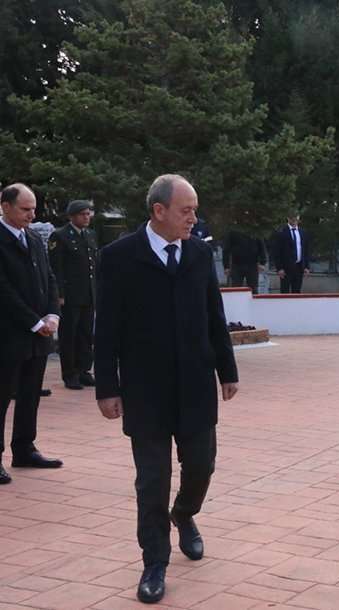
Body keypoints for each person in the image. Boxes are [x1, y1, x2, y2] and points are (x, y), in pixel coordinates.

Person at [94, 174, 239, 603]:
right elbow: (108, 329)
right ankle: (154, 562)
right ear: (159, 211)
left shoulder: (198, 252)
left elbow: (215, 315)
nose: (194, 217)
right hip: (146, 390)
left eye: (195, 209)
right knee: (152, 481)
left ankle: (185, 514)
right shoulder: (119, 257)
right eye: (186, 210)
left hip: (195, 385)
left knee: (202, 467)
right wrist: (107, 386)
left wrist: (227, 370)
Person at [0, 183, 63, 485]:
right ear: (5, 206)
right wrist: (33, 322)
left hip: (38, 332)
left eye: (33, 208)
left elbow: (48, 278)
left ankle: (24, 448)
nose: (31, 214)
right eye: (25, 209)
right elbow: (3, 291)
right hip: (10, 333)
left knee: (30, 394)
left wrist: (52, 313)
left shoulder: (34, 238)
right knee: (2, 397)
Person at [49, 200, 98, 390]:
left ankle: (84, 370)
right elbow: (56, 269)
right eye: (82, 214)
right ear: (71, 216)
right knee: (69, 335)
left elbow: (94, 265)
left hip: (88, 294)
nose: (86, 217)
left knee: (85, 334)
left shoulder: (91, 235)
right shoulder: (60, 236)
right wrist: (59, 294)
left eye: (88, 214)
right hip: (70, 296)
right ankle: (69, 374)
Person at [271, 213, 310, 293]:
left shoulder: (303, 232)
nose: (294, 220)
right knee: (285, 291)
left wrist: (306, 266)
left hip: (299, 267)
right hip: (286, 268)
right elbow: (276, 251)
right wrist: (279, 268)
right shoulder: (281, 232)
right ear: (288, 218)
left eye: (296, 217)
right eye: (292, 217)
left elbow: (305, 250)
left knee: (297, 291)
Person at [223, 226, 267, 294]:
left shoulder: (255, 228)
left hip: (252, 265)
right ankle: (236, 304)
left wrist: (262, 263)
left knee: (253, 289)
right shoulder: (232, 230)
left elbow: (261, 246)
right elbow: (226, 249)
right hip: (237, 265)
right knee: (235, 289)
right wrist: (226, 266)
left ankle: (254, 304)